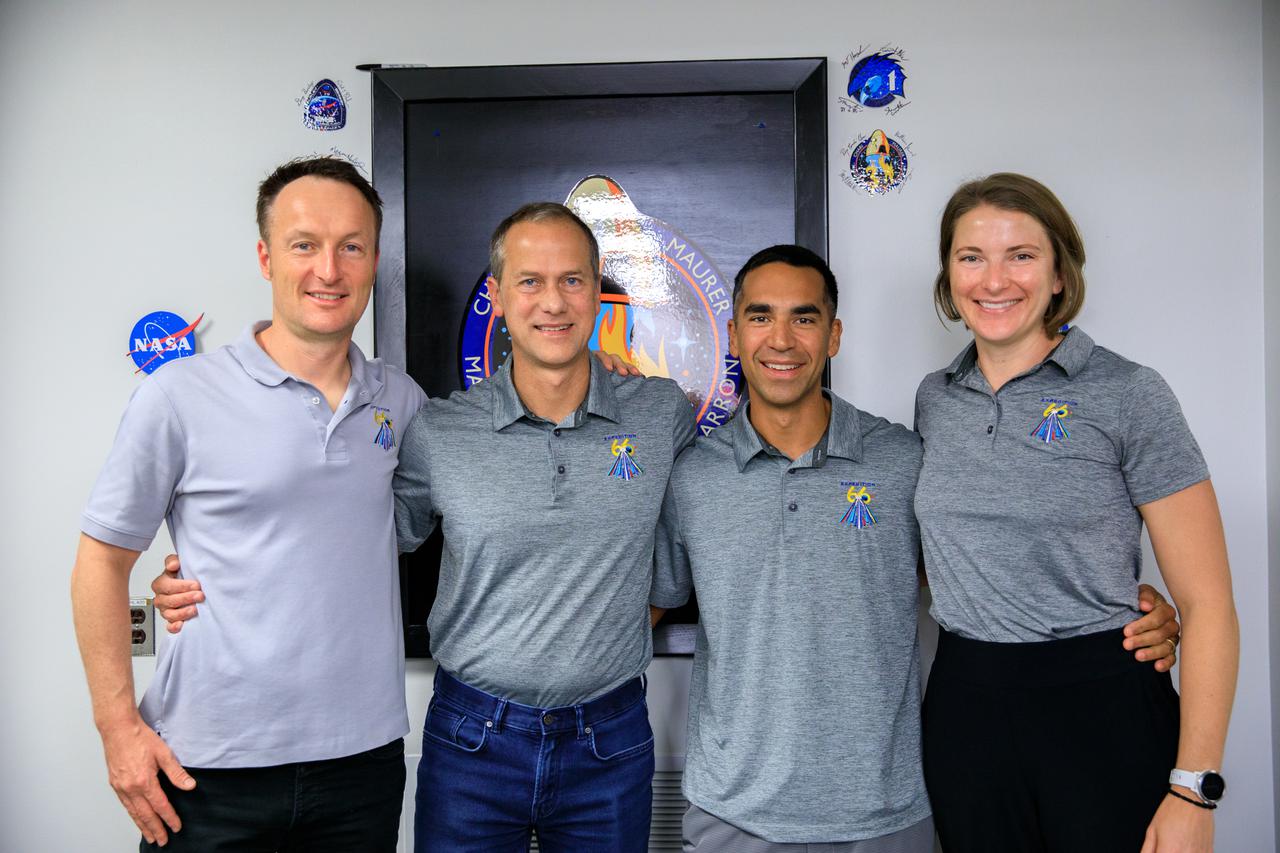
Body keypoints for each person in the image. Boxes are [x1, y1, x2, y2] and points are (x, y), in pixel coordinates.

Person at [653, 245, 1180, 853]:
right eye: (760, 316)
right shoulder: (691, 477)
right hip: (732, 814)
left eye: (804, 318)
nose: (781, 339)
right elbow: (642, 604)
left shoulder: (903, 460)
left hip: (888, 815)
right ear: (733, 334)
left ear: (833, 336)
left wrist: (1122, 608)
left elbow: (986, 566)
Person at [71, 157, 424, 851]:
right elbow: (100, 561)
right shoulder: (178, 393)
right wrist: (118, 730)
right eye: (304, 244)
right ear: (266, 257)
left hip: (362, 764)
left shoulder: (401, 400)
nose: (329, 268)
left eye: (351, 246)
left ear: (374, 259)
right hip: (207, 768)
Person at [914, 173, 1239, 852]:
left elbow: (1207, 603)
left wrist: (1192, 787)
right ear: (949, 274)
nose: (994, 279)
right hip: (966, 706)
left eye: (1021, 255)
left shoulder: (1129, 393)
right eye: (971, 256)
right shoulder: (936, 399)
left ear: (1060, 272)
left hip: (1102, 707)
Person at [393, 202, 696, 851]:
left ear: (597, 292)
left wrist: (595, 640)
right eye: (530, 281)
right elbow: (358, 540)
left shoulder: (660, 415)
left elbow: (683, 554)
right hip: (470, 739)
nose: (553, 302)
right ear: (498, 297)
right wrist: (217, 564)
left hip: (608, 740)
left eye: (572, 280)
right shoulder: (441, 431)